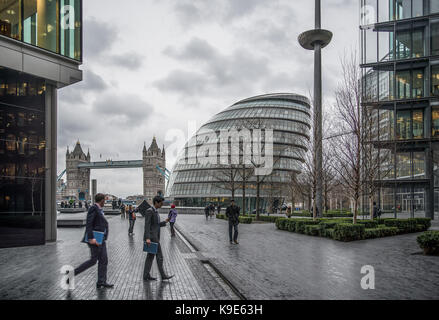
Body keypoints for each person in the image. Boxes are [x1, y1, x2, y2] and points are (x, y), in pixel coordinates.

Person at [73, 193, 113, 289]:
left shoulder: (99, 209)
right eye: (105, 200)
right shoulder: (93, 208)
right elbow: (89, 224)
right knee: (93, 260)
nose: (105, 202)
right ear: (102, 200)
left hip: (101, 239)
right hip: (95, 239)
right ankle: (72, 273)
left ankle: (101, 281)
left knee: (104, 260)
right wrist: (91, 238)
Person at [143, 196, 174, 281]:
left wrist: (165, 221)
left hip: (155, 237)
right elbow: (147, 226)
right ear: (156, 202)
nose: (162, 204)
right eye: (161, 203)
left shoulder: (155, 212)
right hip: (153, 238)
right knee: (159, 256)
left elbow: (156, 225)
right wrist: (148, 238)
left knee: (150, 257)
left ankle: (146, 275)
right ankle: (163, 275)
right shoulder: (149, 211)